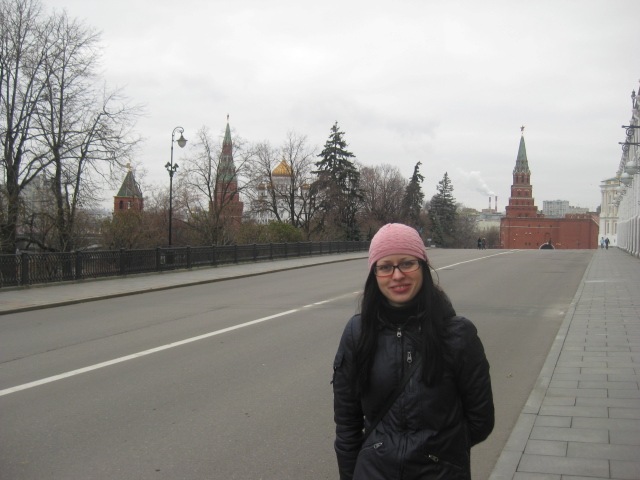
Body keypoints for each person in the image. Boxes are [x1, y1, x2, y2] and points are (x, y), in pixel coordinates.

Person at [332, 223, 494, 480]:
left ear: (423, 267)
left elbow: (481, 420)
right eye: (385, 267)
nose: (397, 275)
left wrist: (439, 454)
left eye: (407, 263)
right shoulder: (358, 333)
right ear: (374, 274)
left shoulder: (457, 335)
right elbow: (347, 425)